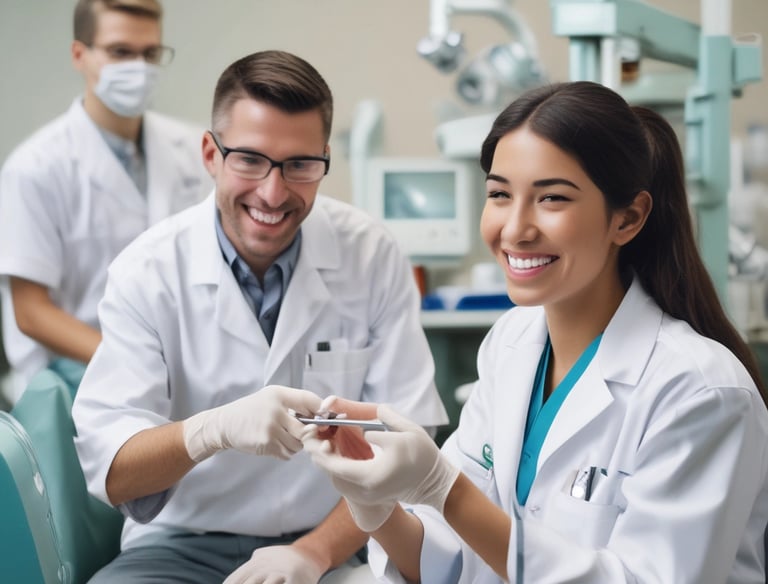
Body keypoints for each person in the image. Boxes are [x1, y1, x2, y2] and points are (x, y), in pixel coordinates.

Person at [302, 81, 768, 583]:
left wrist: (444, 488)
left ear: (628, 218)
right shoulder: (513, 341)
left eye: (551, 198)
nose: (515, 229)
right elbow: (449, 561)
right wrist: (375, 504)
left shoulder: (700, 390)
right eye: (500, 194)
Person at [71, 49, 448, 583]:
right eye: (249, 159)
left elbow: (407, 449)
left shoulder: (371, 254)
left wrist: (312, 554)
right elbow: (115, 473)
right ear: (210, 153)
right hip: (182, 545)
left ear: (323, 161)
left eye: (299, 165)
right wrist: (209, 431)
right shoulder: (147, 269)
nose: (273, 193)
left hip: (341, 542)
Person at [0, 0, 211, 403]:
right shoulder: (34, 168)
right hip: (74, 379)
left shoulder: (194, 149)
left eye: (150, 54)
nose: (139, 67)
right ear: (80, 55)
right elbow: (31, 313)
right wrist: (133, 360)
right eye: (120, 52)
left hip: (178, 371)